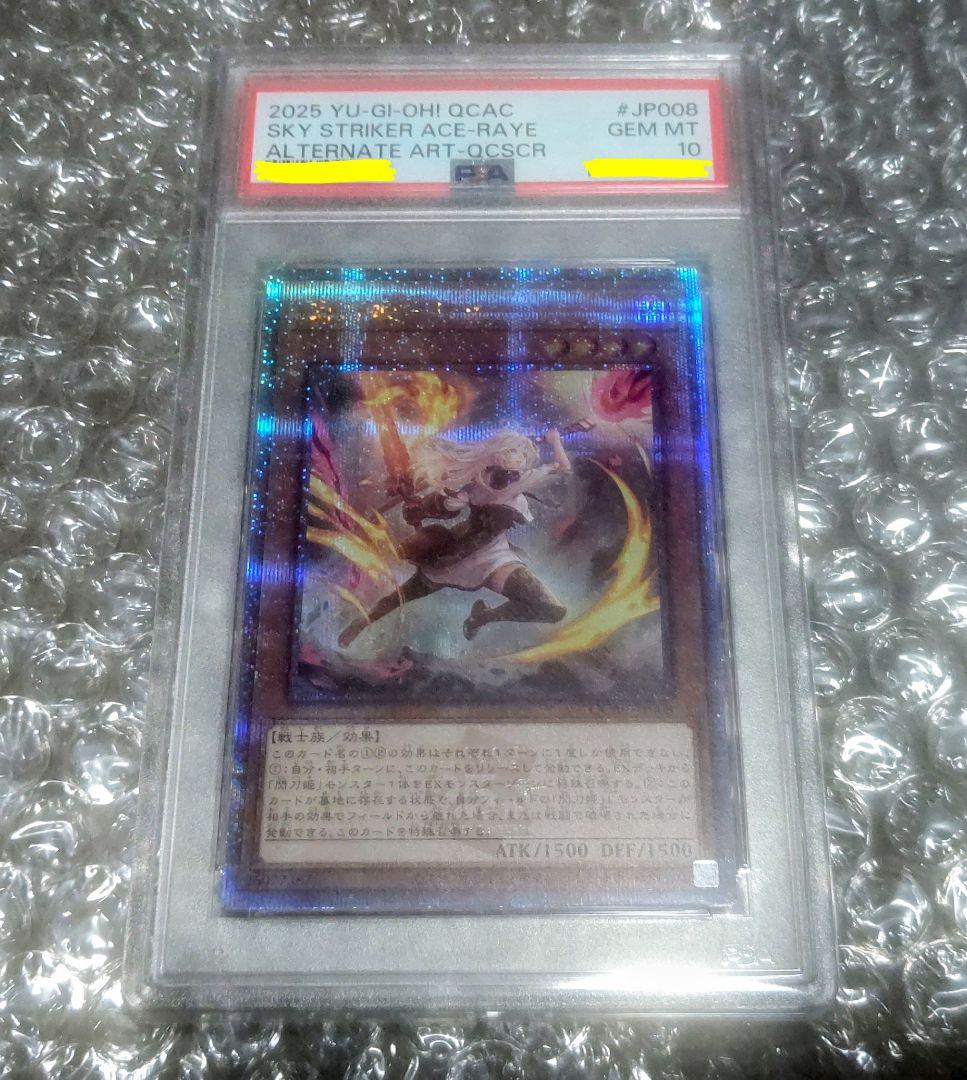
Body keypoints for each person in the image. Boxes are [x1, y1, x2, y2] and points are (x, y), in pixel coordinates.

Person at [338, 427, 571, 647]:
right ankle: (362, 623)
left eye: (522, 454)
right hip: (457, 556)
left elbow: (563, 467)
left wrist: (555, 440)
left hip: (496, 557)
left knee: (551, 609)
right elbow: (443, 507)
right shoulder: (477, 487)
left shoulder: (520, 479)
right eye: (513, 451)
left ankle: (482, 617)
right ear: (496, 455)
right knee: (405, 594)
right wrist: (423, 507)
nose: (520, 458)